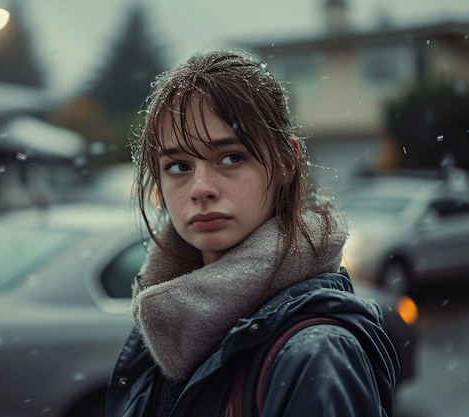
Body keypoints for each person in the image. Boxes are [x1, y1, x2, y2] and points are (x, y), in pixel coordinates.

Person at [106, 49, 399, 417]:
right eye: (178, 165)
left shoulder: (315, 354)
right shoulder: (162, 322)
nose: (200, 188)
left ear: (285, 163)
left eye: (231, 157)